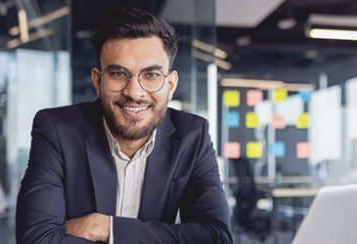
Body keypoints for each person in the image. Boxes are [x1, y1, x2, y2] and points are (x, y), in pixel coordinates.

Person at [15, 7, 233, 244]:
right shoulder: (57, 130)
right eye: (119, 74)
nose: (135, 92)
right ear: (98, 81)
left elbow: (216, 237)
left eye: (151, 75)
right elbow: (36, 240)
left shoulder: (193, 136)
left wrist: (107, 228)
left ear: (170, 85)